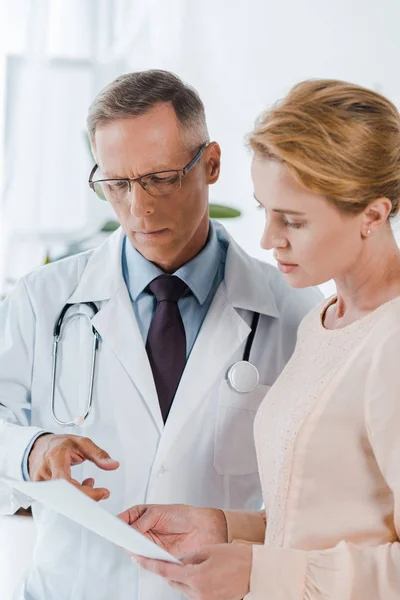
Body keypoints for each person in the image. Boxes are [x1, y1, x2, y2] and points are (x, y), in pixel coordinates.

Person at [0, 70, 320, 600]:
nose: (138, 208)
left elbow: (313, 499)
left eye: (161, 178)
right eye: (117, 184)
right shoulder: (44, 298)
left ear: (211, 164)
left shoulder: (291, 313)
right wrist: (33, 448)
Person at [120, 79, 400, 600]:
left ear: (373, 215)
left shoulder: (392, 345)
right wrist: (226, 529)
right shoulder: (324, 321)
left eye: (293, 220)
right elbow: (323, 520)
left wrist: (262, 573)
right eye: (264, 212)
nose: (270, 239)